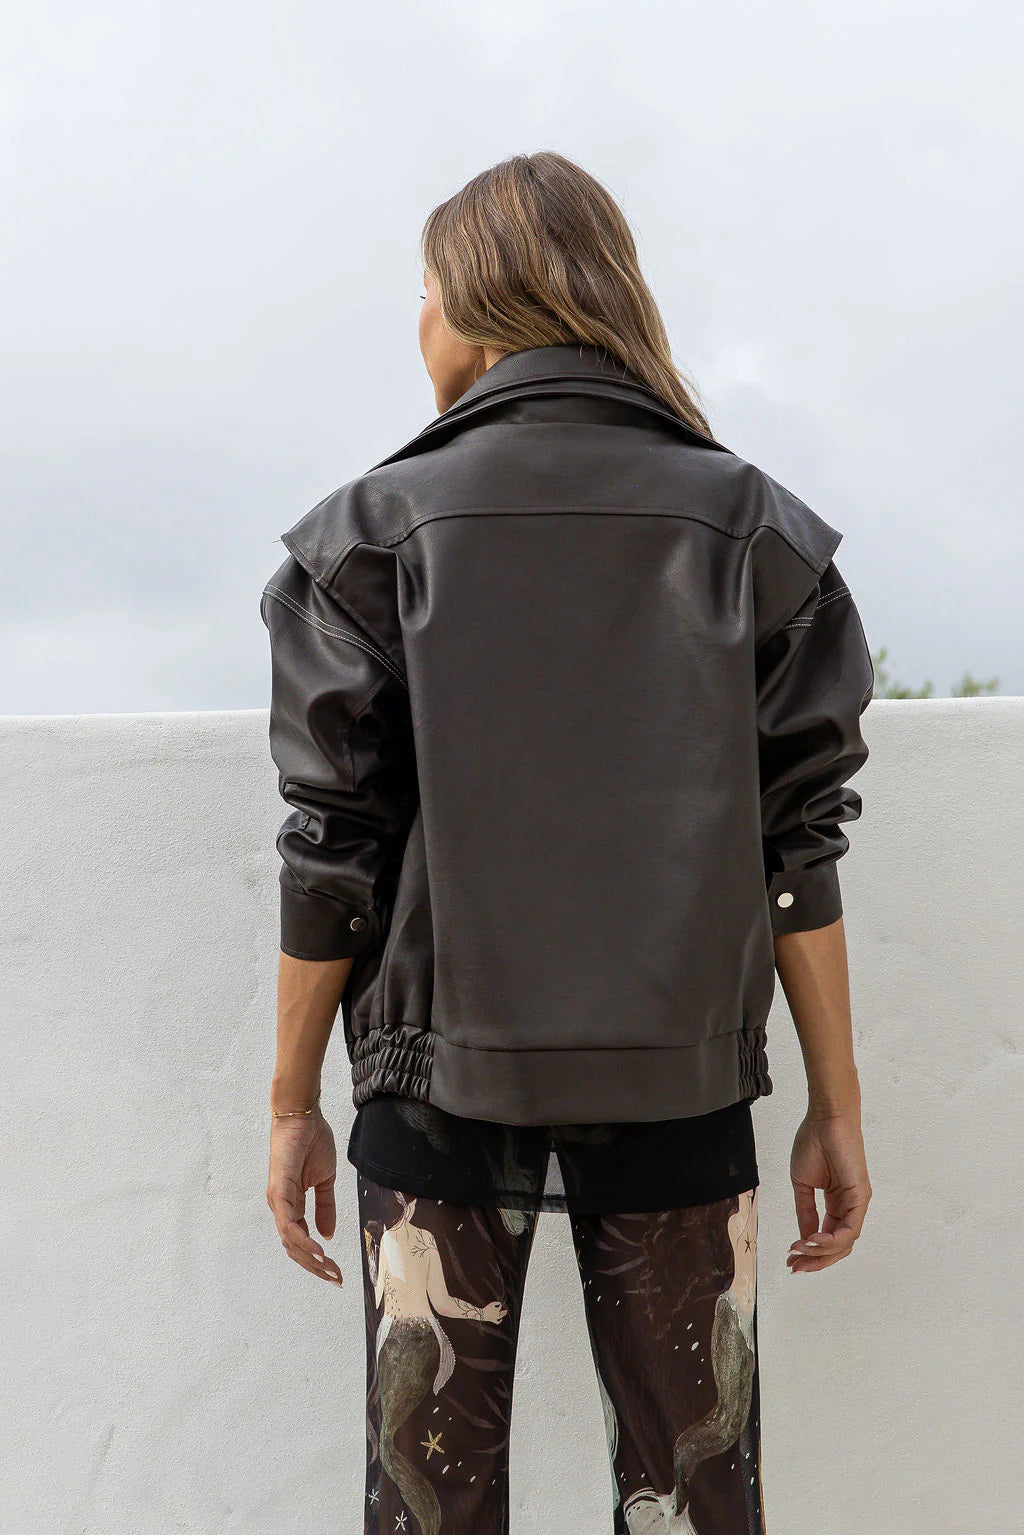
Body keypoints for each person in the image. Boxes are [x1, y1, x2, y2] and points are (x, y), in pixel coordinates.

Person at [260, 151, 874, 1534]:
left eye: (424, 289)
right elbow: (800, 847)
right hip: (685, 1085)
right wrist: (836, 1106)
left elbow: (331, 851)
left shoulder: (368, 536)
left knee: (429, 1505)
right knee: (697, 1494)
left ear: (475, 303)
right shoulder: (758, 531)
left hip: (432, 1084)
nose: (417, 320)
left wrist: (294, 1103)